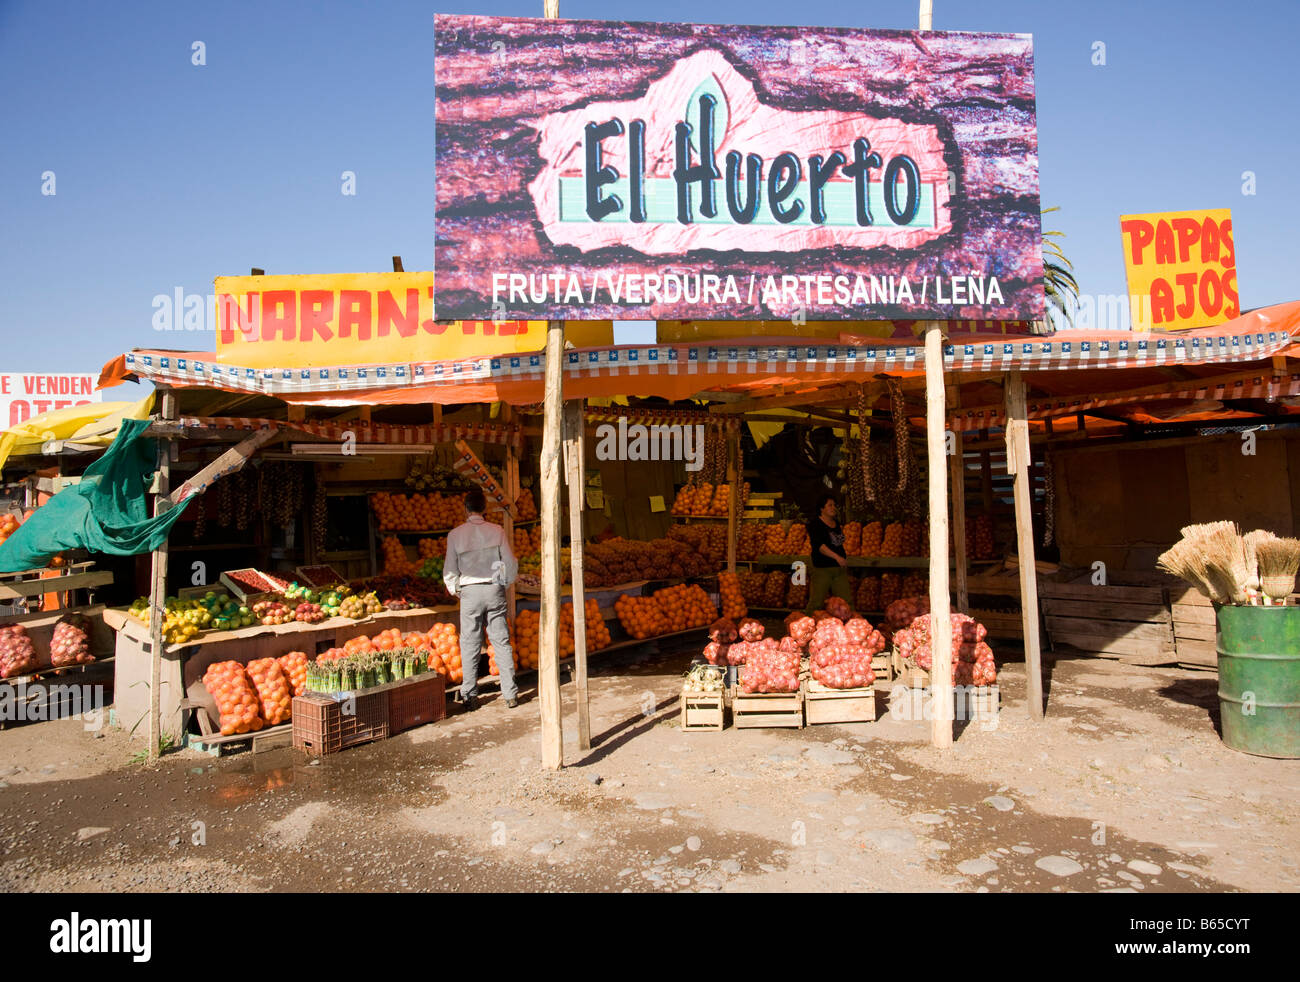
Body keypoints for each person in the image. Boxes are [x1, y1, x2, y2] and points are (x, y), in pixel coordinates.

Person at [443, 488, 520, 710]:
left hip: (469, 592)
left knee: (469, 643)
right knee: (501, 641)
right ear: (485, 509)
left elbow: (450, 570)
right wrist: (504, 582)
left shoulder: (455, 535)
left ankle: (469, 695)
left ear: (465, 509)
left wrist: (455, 589)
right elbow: (510, 562)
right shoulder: (497, 531)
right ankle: (510, 694)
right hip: (494, 588)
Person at [805, 492, 853, 614]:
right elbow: (820, 546)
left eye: (834, 505)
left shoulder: (835, 523)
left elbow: (837, 542)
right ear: (822, 508)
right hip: (822, 568)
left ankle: (852, 625)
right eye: (830, 505)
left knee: (846, 600)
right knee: (817, 601)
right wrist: (837, 557)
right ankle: (807, 624)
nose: (833, 508)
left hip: (838, 569)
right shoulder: (815, 524)